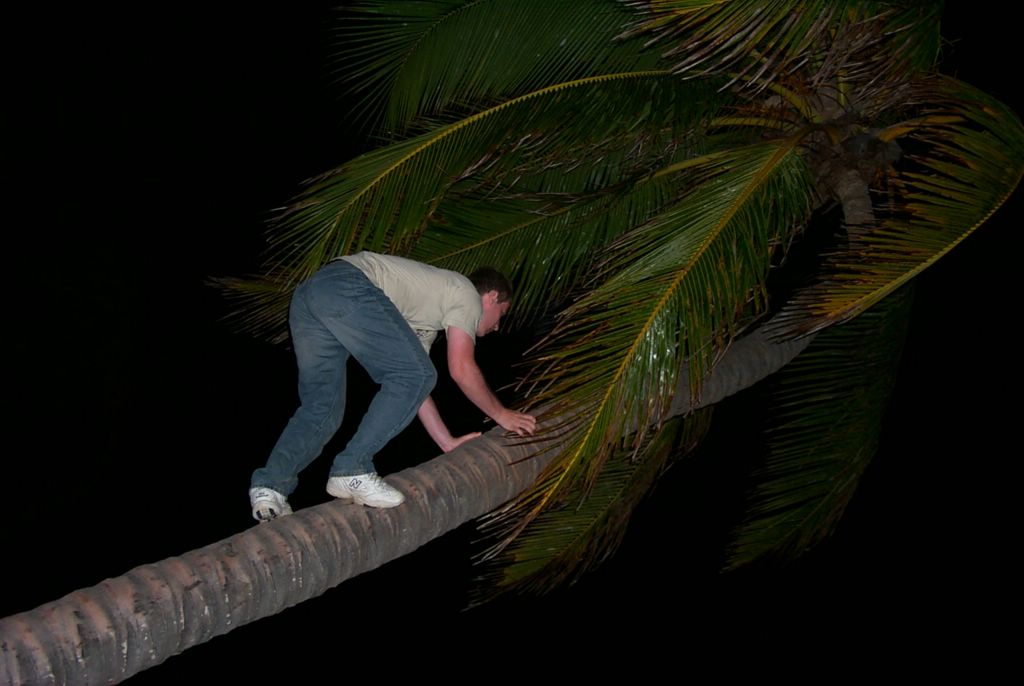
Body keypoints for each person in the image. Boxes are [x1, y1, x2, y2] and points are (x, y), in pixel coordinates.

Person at [249, 251, 537, 521]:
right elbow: (460, 369)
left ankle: (269, 487)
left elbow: (416, 389)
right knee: (416, 374)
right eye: (502, 313)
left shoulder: (423, 320)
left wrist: (446, 442)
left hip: (309, 296)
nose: (497, 326)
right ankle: (352, 468)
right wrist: (502, 415)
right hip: (347, 284)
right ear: (491, 297)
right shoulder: (467, 293)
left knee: (323, 406)